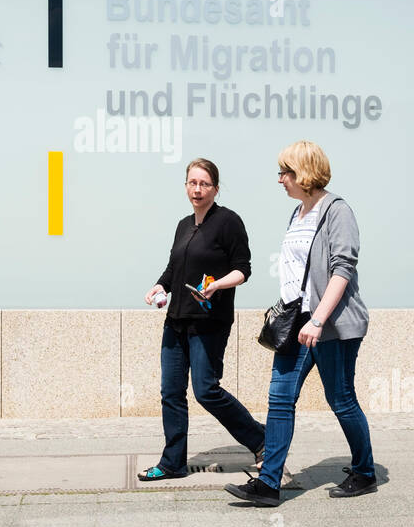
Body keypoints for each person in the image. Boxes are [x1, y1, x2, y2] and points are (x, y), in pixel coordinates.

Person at [225, 141, 376, 506]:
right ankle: (268, 484)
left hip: (331, 324)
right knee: (279, 399)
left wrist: (319, 319)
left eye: (285, 172)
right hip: (297, 321)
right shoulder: (297, 214)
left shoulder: (337, 211)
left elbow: (342, 270)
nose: (280, 179)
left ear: (304, 173)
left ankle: (366, 472)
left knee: (340, 399)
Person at [139, 158, 266, 480]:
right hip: (176, 319)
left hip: (210, 320)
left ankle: (261, 439)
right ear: (185, 186)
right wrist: (158, 286)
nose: (197, 189)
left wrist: (217, 285)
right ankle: (172, 463)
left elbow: (243, 269)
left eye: (204, 184)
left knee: (206, 390)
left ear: (216, 189)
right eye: (192, 183)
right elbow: (173, 269)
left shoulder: (228, 222)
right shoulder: (184, 225)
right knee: (171, 392)